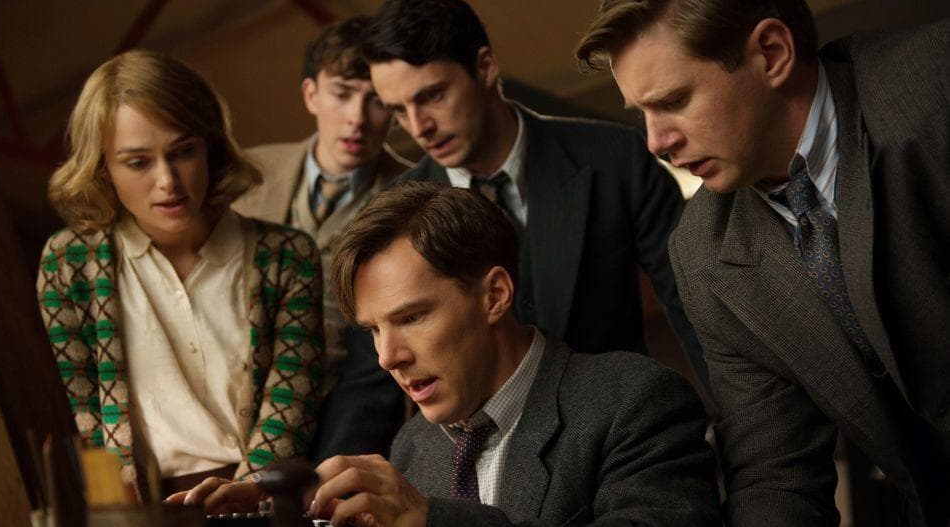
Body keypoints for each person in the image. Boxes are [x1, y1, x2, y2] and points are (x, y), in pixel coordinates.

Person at [576, 0, 950, 524]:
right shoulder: (702, 253)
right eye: (642, 114)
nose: (656, 143)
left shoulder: (935, 86)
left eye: (675, 101)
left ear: (772, 53)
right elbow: (776, 473)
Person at [173, 181, 720, 525]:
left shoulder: (634, 402)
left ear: (494, 295)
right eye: (373, 330)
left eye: (411, 317)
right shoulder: (412, 447)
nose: (388, 356)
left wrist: (431, 520)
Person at [361, 0, 709, 388]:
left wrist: (741, 421)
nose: (418, 127)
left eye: (432, 96)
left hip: (617, 411)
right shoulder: (394, 214)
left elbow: (699, 310)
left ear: (485, 67)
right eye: (399, 110)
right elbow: (374, 377)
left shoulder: (614, 158)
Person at [37, 49, 325, 497]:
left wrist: (246, 495)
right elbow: (81, 412)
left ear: (210, 147)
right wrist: (120, 513)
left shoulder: (287, 257)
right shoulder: (68, 263)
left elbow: (291, 407)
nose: (168, 181)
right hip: (136, 508)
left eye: (183, 152)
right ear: (102, 167)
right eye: (138, 162)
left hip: (262, 501)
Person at [233, 15, 406, 463]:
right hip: (243, 406)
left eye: (376, 101)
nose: (356, 119)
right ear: (311, 94)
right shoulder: (247, 177)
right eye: (342, 94)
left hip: (356, 416)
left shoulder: (415, 194)